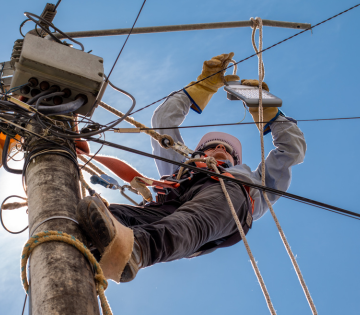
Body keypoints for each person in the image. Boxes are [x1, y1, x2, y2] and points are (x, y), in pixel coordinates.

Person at [76, 52, 306, 283]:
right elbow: (163, 121)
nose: (220, 149)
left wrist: (268, 112)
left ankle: (135, 249)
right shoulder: (182, 166)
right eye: (212, 145)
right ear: (200, 151)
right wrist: (203, 86)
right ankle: (81, 247)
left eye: (228, 151)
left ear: (234, 161)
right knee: (114, 215)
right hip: (170, 205)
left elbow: (291, 150)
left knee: (188, 222)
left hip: (218, 208)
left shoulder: (252, 183)